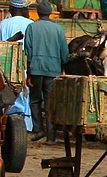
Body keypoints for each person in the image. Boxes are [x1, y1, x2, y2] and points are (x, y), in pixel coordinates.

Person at [24, 0, 68, 144]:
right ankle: (51, 137)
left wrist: (29, 74)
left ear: (38, 13)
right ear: (50, 13)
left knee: (35, 100)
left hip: (36, 69)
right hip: (53, 70)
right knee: (50, 103)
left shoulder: (31, 28)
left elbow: (28, 52)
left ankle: (38, 129)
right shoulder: (58, 29)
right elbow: (64, 53)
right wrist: (62, 67)